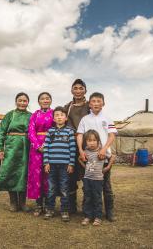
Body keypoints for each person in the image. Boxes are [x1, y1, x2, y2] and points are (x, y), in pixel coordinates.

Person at [77, 92, 117, 221]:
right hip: (88, 157)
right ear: (89, 104)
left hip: (103, 157)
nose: (96, 103)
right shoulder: (85, 119)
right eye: (93, 101)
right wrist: (81, 151)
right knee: (87, 186)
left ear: (103, 103)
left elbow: (112, 135)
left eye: (98, 101)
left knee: (106, 186)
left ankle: (109, 211)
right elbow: (79, 135)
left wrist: (104, 149)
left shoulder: (107, 118)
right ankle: (87, 213)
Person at [0, 92, 32, 212]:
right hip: (11, 146)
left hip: (26, 146)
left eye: (24, 101)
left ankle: (22, 203)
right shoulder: (9, 115)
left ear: (28, 102)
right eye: (20, 100)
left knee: (23, 173)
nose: (22, 103)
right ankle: (13, 202)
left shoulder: (31, 116)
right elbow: (1, 132)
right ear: (16, 101)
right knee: (11, 172)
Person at [43, 106, 76, 222]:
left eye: (61, 115)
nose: (59, 117)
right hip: (51, 165)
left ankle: (64, 210)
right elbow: (46, 147)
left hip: (64, 166)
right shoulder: (50, 132)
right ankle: (50, 209)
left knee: (64, 189)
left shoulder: (70, 132)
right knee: (51, 189)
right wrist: (46, 162)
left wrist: (71, 164)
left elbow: (73, 149)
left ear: (66, 118)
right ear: (53, 119)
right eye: (56, 115)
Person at [63, 79, 90, 213]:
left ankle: (87, 208)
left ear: (85, 90)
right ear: (71, 90)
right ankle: (71, 207)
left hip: (88, 144)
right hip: (71, 145)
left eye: (81, 88)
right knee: (70, 176)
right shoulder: (67, 107)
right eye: (75, 88)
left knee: (87, 176)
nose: (78, 90)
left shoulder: (90, 106)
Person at [27, 92, 54, 216]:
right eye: (42, 99)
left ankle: (49, 205)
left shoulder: (55, 114)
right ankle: (38, 205)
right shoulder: (34, 115)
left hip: (51, 147)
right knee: (37, 176)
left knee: (48, 177)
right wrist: (38, 146)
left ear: (50, 101)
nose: (45, 100)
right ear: (38, 101)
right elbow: (31, 131)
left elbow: (57, 129)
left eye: (47, 98)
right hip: (36, 149)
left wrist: (47, 145)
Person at [78, 130, 107, 226]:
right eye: (89, 140)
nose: (92, 142)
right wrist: (85, 167)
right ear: (86, 142)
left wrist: (107, 167)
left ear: (98, 141)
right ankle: (87, 216)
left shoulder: (102, 151)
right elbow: (79, 158)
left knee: (97, 198)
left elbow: (112, 157)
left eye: (94, 140)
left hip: (98, 180)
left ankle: (98, 217)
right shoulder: (85, 151)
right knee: (88, 198)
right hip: (87, 179)